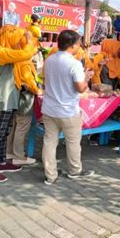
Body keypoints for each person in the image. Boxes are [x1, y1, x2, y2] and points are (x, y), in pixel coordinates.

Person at [0, 26, 38, 182]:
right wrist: (27, 39)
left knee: (4, 133)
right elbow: (27, 53)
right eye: (17, 39)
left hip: (7, 99)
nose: (19, 42)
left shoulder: (7, 53)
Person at [41, 30, 95, 185]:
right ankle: (74, 170)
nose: (79, 46)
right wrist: (86, 77)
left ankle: (50, 175)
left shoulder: (50, 59)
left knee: (49, 142)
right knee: (73, 142)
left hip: (49, 108)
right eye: (79, 43)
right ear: (73, 45)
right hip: (68, 110)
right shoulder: (74, 63)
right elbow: (80, 88)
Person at [6, 55, 42, 166]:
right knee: (21, 128)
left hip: (16, 99)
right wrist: (39, 91)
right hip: (24, 101)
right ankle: (19, 156)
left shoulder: (17, 60)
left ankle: (9, 152)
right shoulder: (25, 64)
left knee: (15, 127)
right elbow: (30, 84)